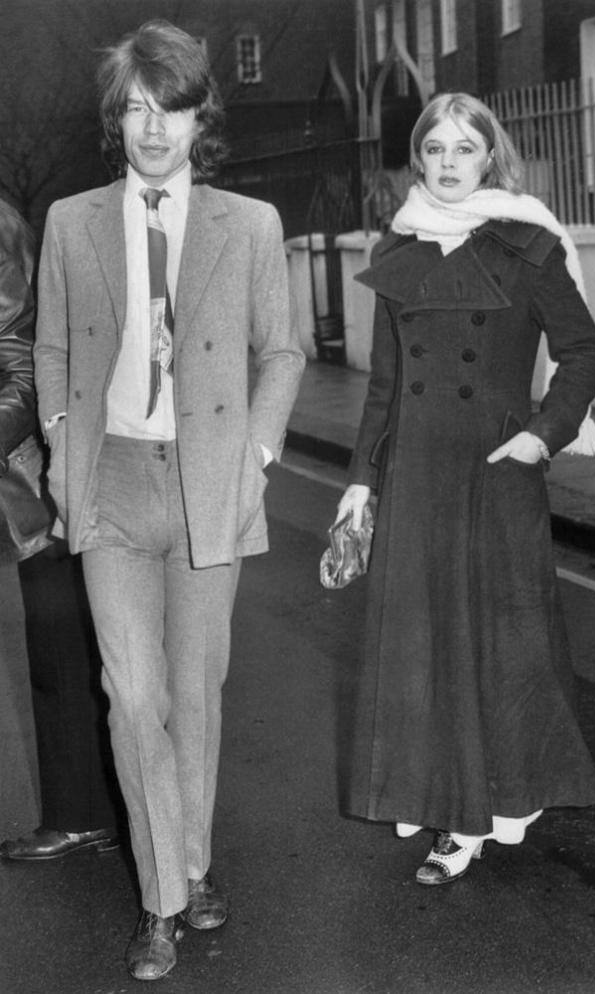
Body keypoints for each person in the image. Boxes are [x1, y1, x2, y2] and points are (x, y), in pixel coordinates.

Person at [33, 20, 304, 982]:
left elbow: (283, 351)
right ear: (119, 119)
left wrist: (259, 452)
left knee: (194, 694)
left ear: (200, 118)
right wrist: (65, 447)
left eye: (172, 109)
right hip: (109, 484)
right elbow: (56, 348)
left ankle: (191, 862)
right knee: (132, 694)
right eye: (137, 110)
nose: (154, 129)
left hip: (207, 485)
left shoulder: (251, 226)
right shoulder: (72, 222)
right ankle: (161, 903)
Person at [335, 92, 595, 887]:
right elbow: (385, 388)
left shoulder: (529, 243)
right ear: (416, 159)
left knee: (499, 647)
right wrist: (359, 484)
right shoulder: (401, 247)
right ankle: (446, 808)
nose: (449, 163)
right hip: (416, 471)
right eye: (435, 149)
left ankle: (487, 810)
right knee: (423, 649)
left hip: (497, 473)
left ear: (492, 157)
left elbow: (584, 351)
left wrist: (541, 432)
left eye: (465, 148)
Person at [0, 196, 119, 861]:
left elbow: (21, 369)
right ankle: (93, 811)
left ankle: (90, 813)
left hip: (38, 479)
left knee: (65, 651)